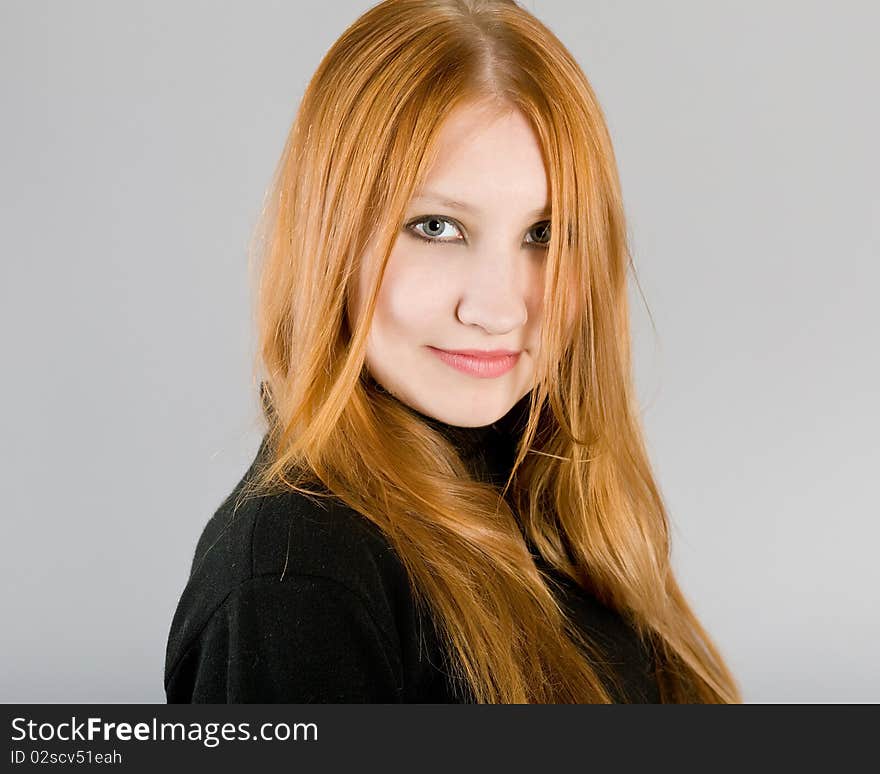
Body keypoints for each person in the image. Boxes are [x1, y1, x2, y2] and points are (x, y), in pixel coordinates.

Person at [164, 0, 742, 703]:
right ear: (330, 240)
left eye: (545, 235)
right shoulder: (299, 576)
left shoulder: (555, 500)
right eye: (436, 227)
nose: (498, 309)